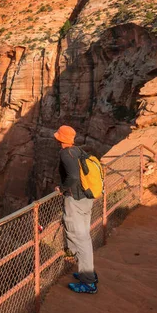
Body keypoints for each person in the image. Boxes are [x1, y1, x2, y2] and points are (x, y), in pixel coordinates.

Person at [54, 125, 98, 294]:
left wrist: (62, 188)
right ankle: (86, 273)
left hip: (76, 201)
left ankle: (88, 282)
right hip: (87, 199)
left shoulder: (66, 154)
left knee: (81, 239)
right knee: (84, 236)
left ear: (60, 139)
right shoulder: (78, 150)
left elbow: (72, 177)